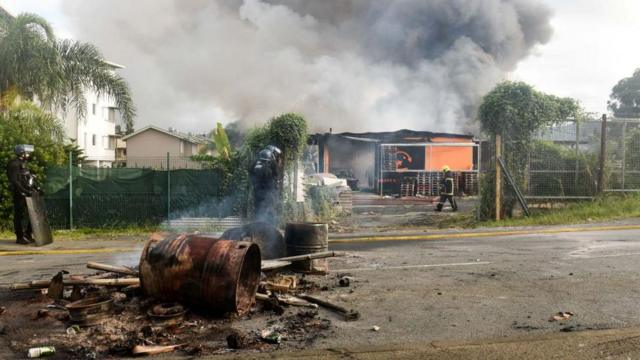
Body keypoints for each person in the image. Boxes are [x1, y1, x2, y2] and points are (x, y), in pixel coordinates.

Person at [6, 144, 36, 244]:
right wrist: (23, 190)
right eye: (26, 153)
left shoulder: (24, 163)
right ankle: (20, 237)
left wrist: (36, 188)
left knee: (32, 213)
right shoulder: (14, 164)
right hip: (19, 193)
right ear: (21, 153)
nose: (28, 154)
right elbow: (15, 181)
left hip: (27, 192)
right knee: (19, 215)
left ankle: (28, 234)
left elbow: (28, 178)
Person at [250, 145, 282, 224]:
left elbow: (251, 176)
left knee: (258, 212)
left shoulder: (255, 165)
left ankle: (257, 228)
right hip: (266, 194)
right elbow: (272, 181)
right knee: (269, 213)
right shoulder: (267, 169)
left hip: (256, 193)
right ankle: (269, 230)